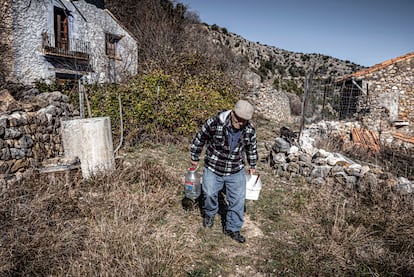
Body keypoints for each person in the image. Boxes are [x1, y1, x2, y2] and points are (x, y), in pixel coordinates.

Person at [190, 99, 258, 243]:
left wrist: (252, 165)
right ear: (232, 113)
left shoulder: (249, 130)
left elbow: (251, 147)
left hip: (235, 169)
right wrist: (194, 157)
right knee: (209, 193)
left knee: (238, 200)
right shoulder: (214, 122)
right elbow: (200, 138)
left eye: (244, 121)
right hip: (213, 166)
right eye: (238, 119)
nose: (240, 123)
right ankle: (210, 214)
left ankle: (233, 229)